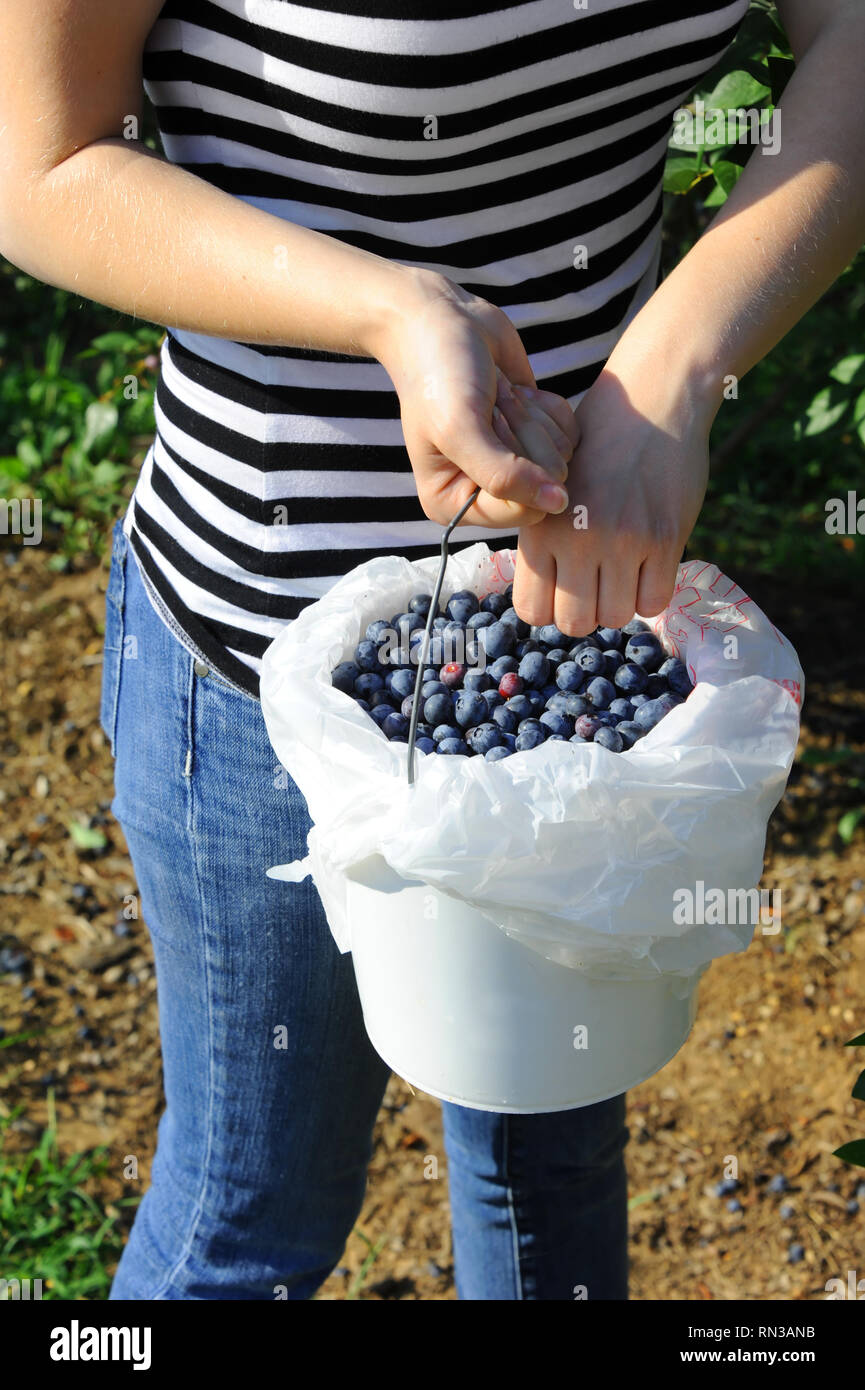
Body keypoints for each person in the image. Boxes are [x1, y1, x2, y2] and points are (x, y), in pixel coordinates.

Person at [1, 0, 862, 1300]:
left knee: (546, 1193)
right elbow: (37, 164)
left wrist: (677, 367)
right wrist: (386, 311)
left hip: (572, 666)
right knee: (256, 1211)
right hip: (259, 656)